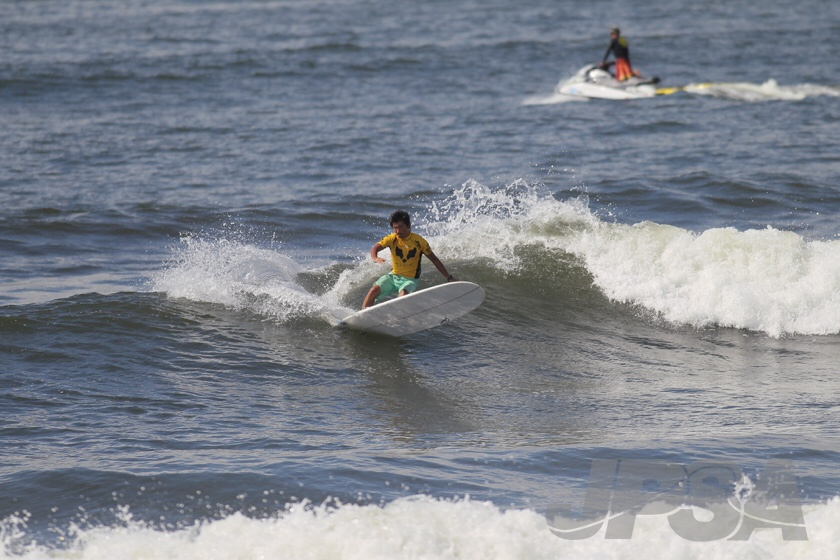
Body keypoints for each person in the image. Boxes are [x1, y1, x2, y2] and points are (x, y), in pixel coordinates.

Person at [362, 210, 457, 309]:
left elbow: (434, 260)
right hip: (393, 276)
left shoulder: (419, 241)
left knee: (403, 294)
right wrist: (375, 258)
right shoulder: (392, 239)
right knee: (374, 289)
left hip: (410, 280)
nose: (398, 231)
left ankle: (397, 317)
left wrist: (449, 277)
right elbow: (375, 248)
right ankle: (361, 316)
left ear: (408, 225)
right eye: (395, 228)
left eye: (400, 227)